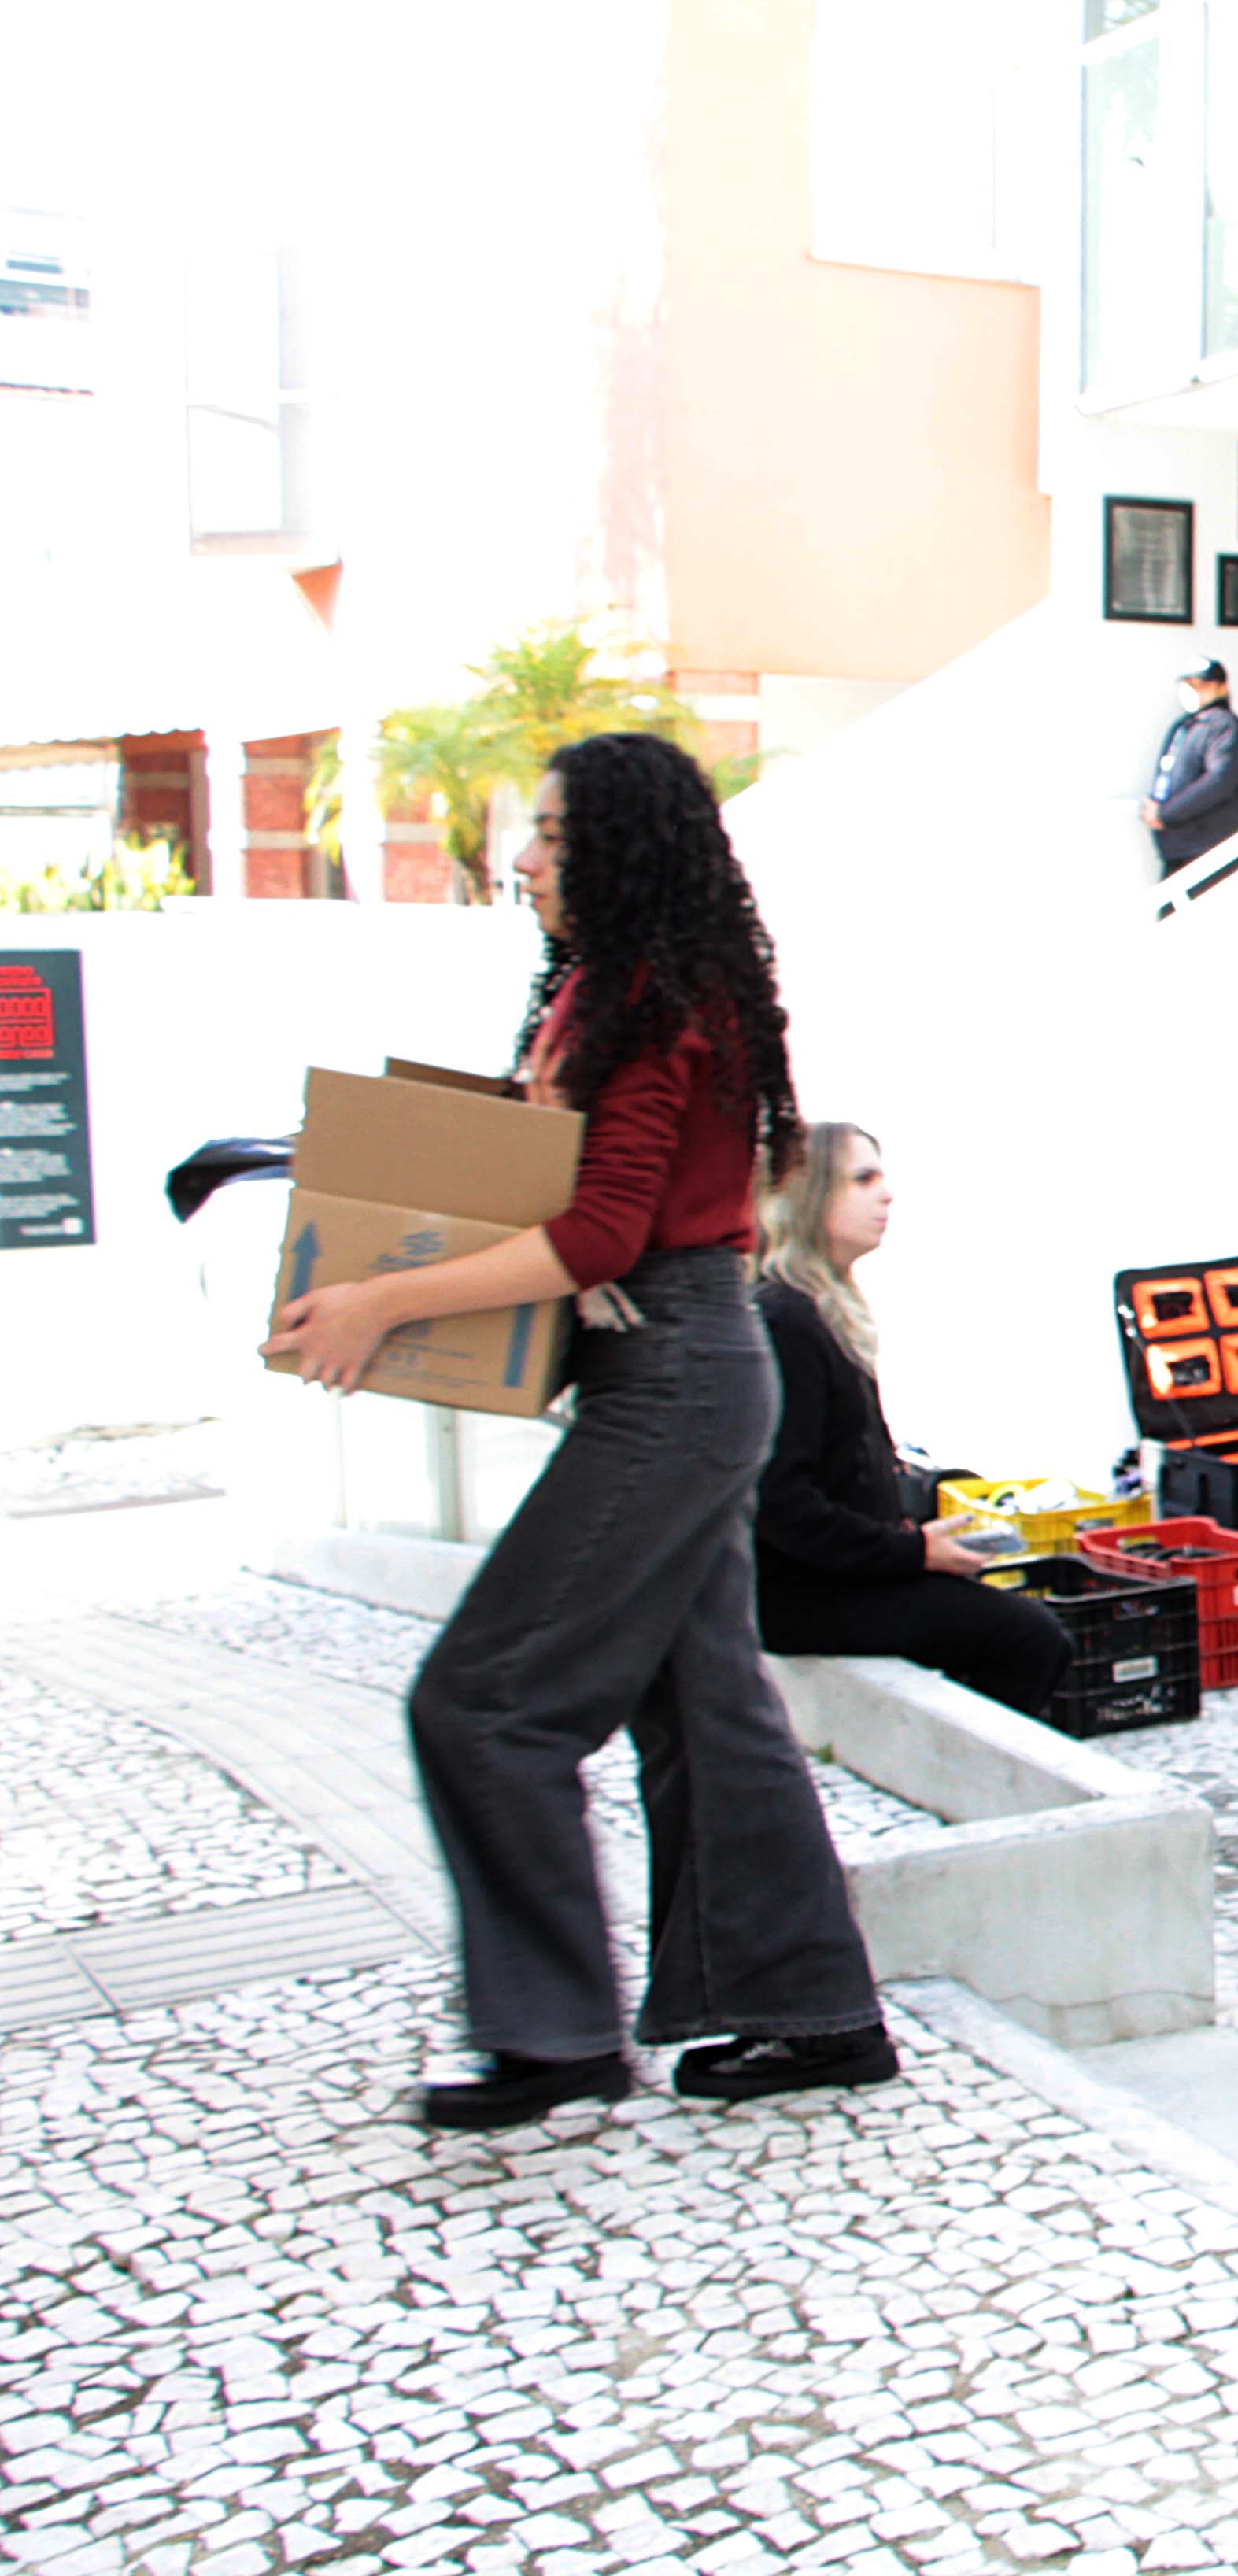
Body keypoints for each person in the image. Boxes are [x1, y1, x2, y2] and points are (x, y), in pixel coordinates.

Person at [263, 733, 893, 2131]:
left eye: (551, 834)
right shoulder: (613, 991)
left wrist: (379, 1299)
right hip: (670, 1369)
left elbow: (601, 1230)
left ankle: (553, 2038)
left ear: (620, 848)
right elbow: (580, 1194)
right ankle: (815, 2015)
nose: (525, 859)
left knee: (483, 1703)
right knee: (708, 1706)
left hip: (674, 1375)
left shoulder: (657, 1003)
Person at [747, 1120, 1077, 1717]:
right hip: (800, 1594)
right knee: (1031, 1640)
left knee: (1011, 1618)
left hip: (838, 1571)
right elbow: (782, 1502)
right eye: (862, 1180)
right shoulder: (787, 1320)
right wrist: (913, 1552)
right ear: (812, 1196)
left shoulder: (821, 1308)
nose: (886, 1195)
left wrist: (911, 1535)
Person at [1140, 658, 1238, 896]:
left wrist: (1165, 813)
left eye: (1200, 684)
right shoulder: (1186, 725)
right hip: (1179, 847)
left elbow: (1219, 782)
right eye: (1188, 685)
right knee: (1170, 914)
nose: (1193, 691)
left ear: (1221, 687)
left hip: (1209, 847)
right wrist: (1154, 807)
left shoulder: (1224, 726)